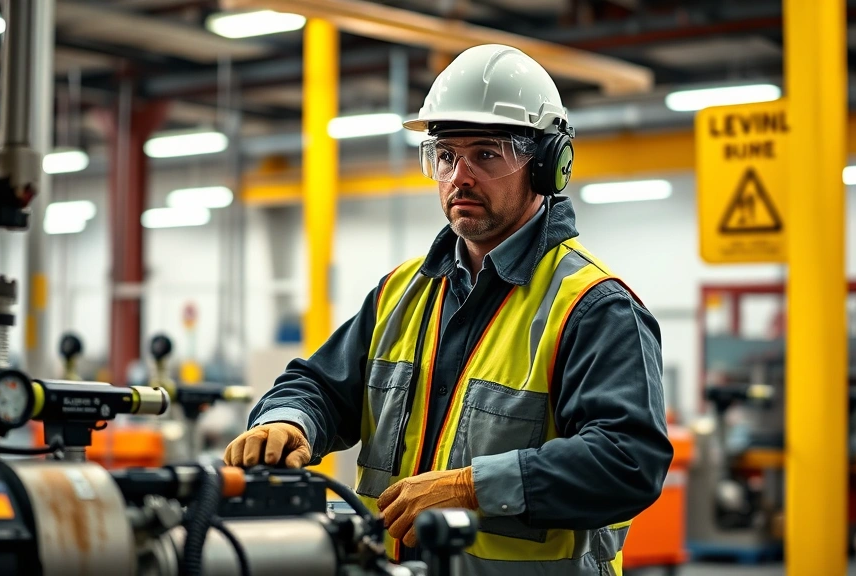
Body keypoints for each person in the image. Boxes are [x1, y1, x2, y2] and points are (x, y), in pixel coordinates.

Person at [224, 43, 673, 575]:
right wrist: (288, 421)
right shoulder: (401, 292)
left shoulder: (592, 307)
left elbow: (628, 461)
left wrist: (473, 487)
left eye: (485, 153)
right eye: (445, 155)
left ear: (548, 165)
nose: (459, 175)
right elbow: (320, 386)